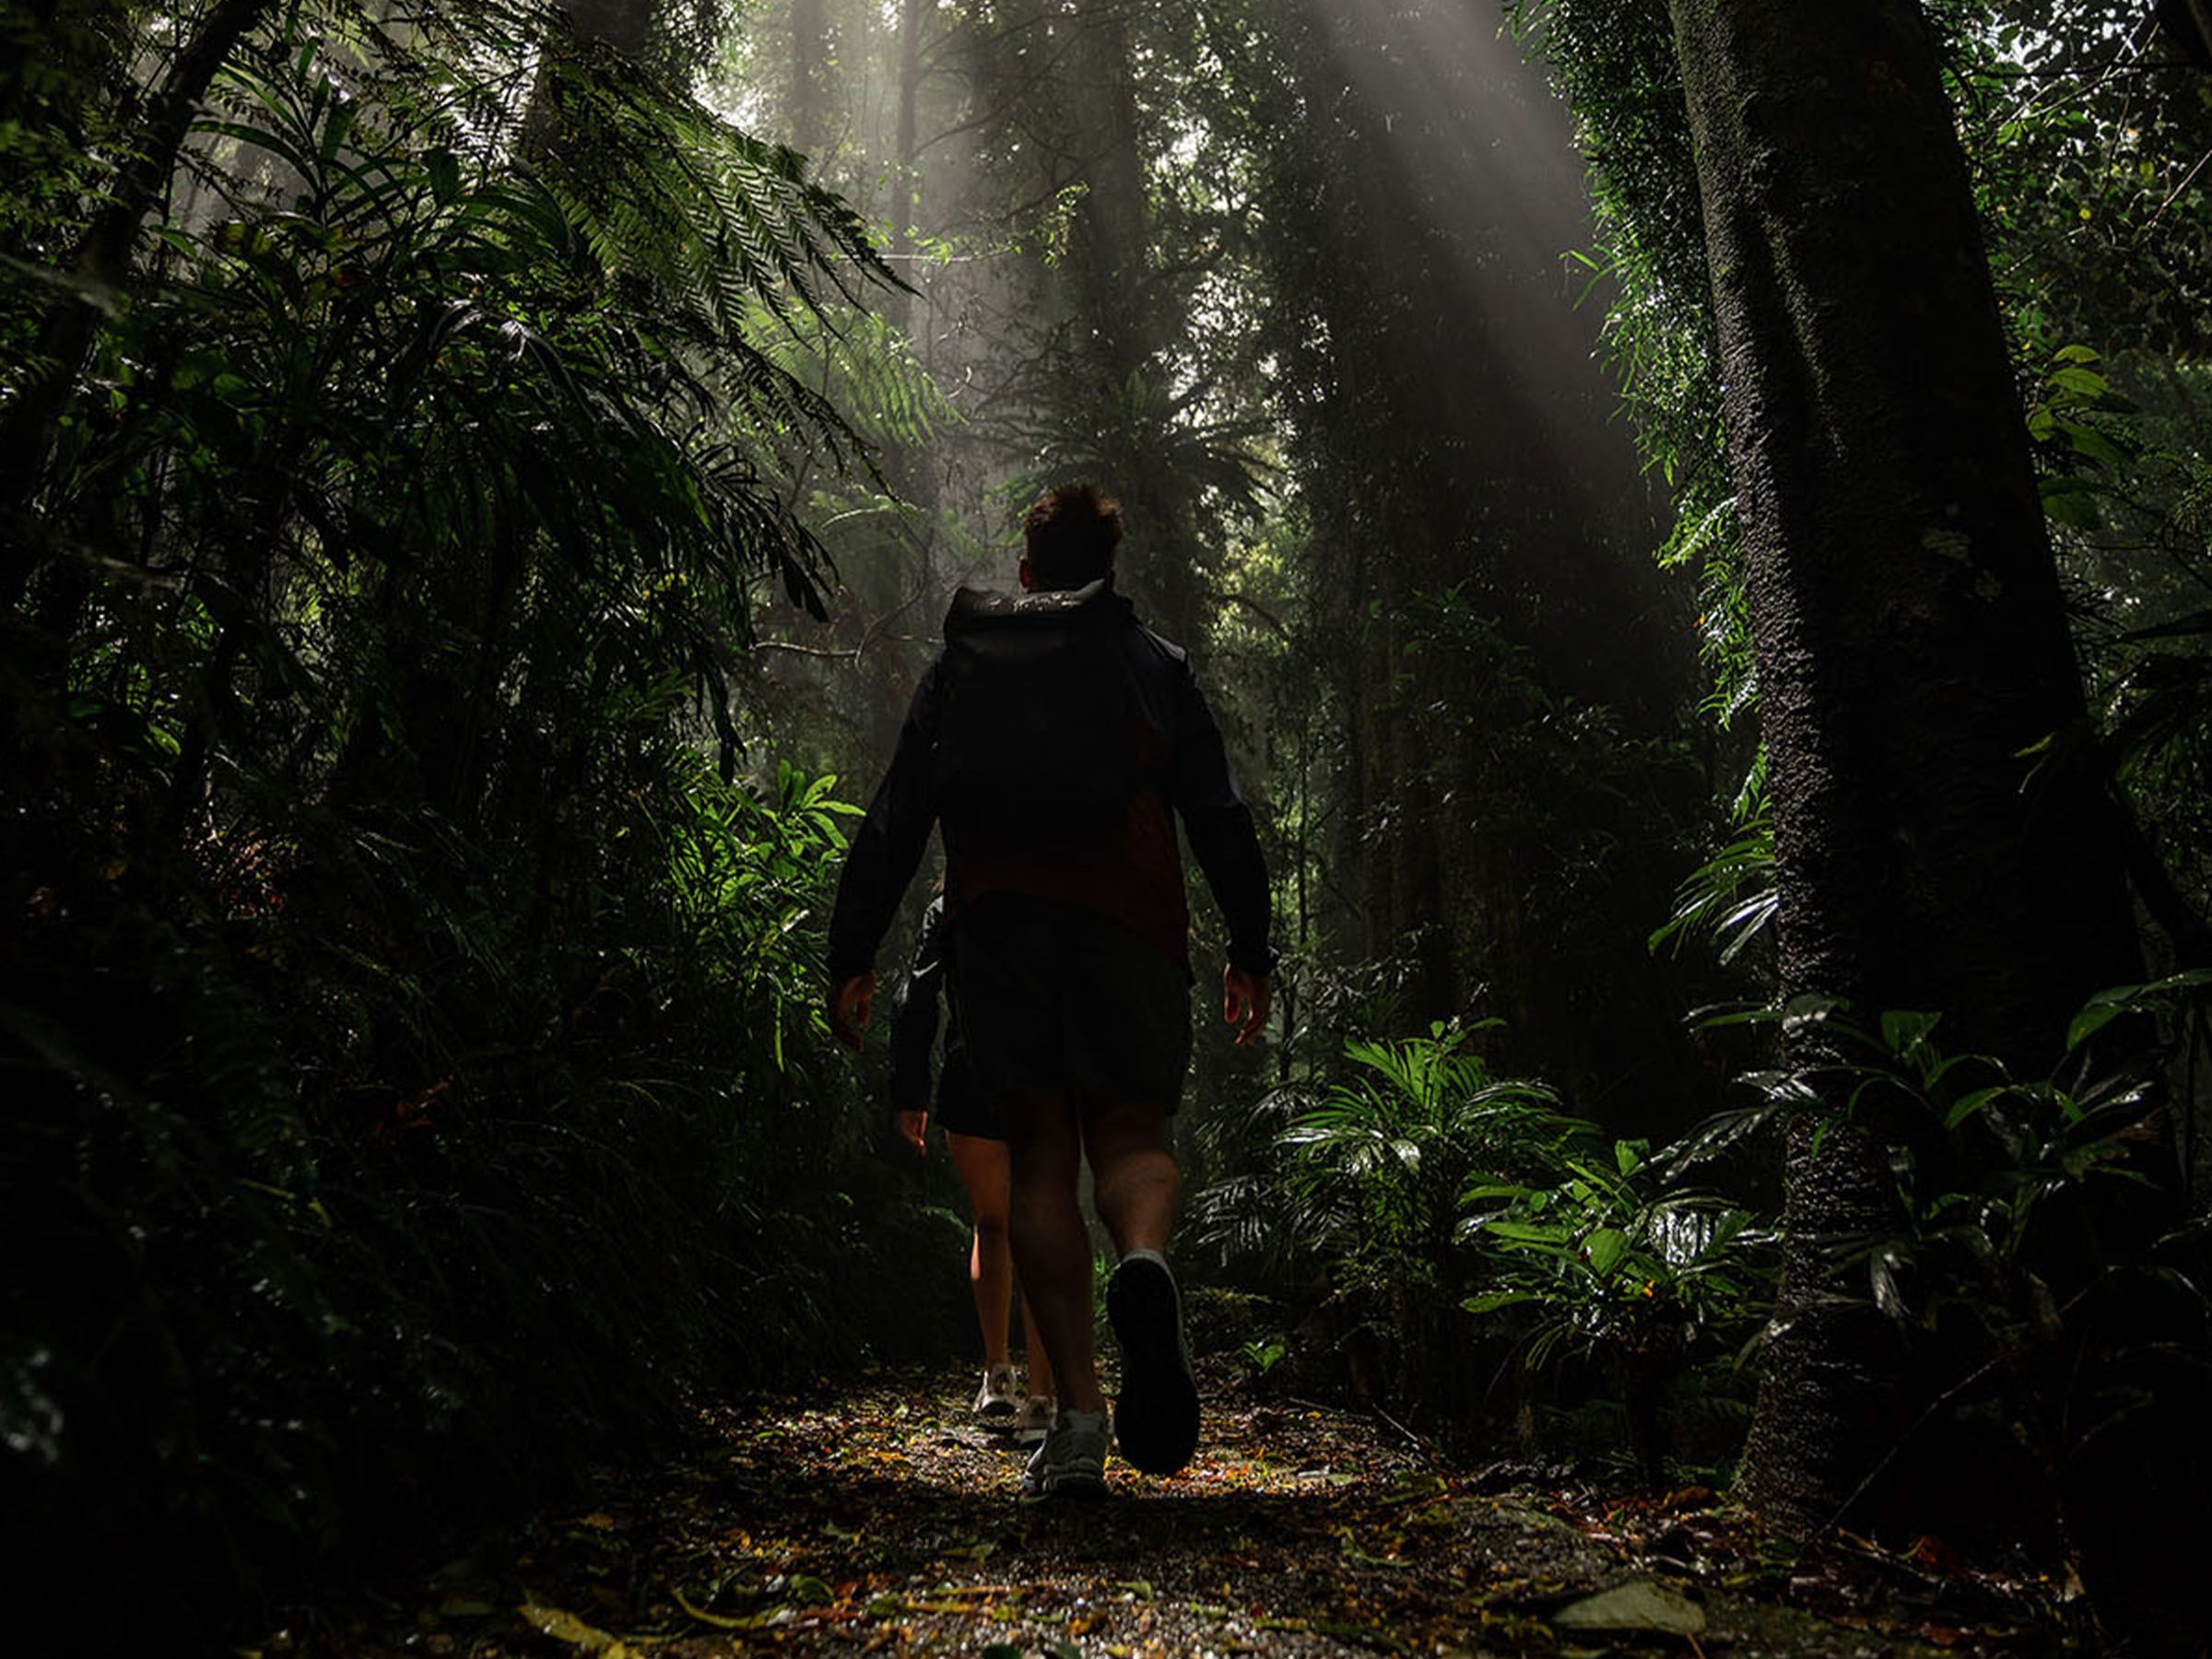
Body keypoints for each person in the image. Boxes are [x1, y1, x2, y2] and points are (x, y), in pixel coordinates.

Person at [825, 481, 1273, 1500]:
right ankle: (1147, 1265)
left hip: (1003, 931)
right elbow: (1218, 810)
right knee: (1132, 1138)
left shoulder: (967, 667)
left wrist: (853, 949)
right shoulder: (1150, 662)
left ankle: (1076, 1427)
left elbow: (900, 810)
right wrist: (1252, 946)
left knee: (1039, 1158)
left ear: (1027, 574)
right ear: (1108, 575)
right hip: (1131, 928)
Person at [888, 892, 1056, 1441]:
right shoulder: (1058, 891)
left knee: (991, 1222)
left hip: (971, 1076)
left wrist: (910, 1088)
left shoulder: (953, 902)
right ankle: (1041, 1401)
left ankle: (998, 1375)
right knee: (1041, 1229)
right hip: (1047, 1080)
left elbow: (917, 993)